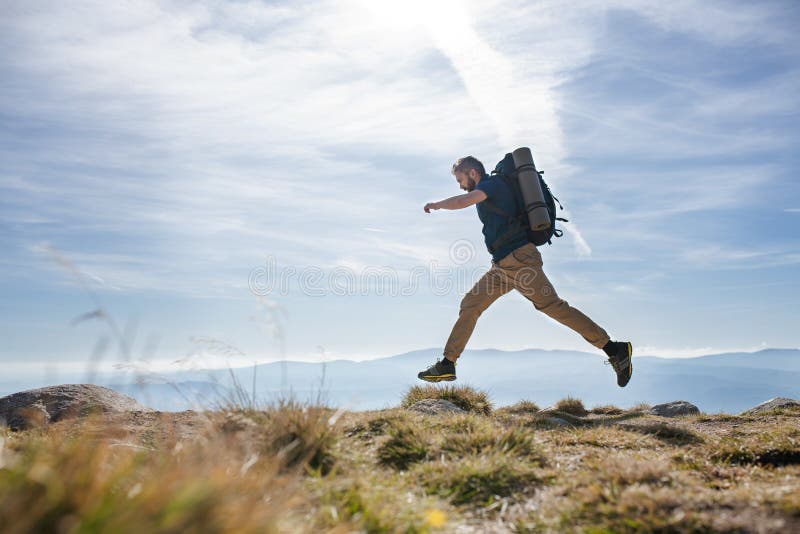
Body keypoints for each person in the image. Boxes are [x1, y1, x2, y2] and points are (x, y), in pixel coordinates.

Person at [419, 155, 633, 387]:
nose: (460, 185)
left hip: (520, 261)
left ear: (473, 173)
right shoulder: (490, 187)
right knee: (471, 303)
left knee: (553, 307)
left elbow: (464, 201)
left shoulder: (491, 185)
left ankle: (615, 350)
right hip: (501, 267)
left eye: (460, 179)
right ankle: (448, 364)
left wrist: (437, 205)